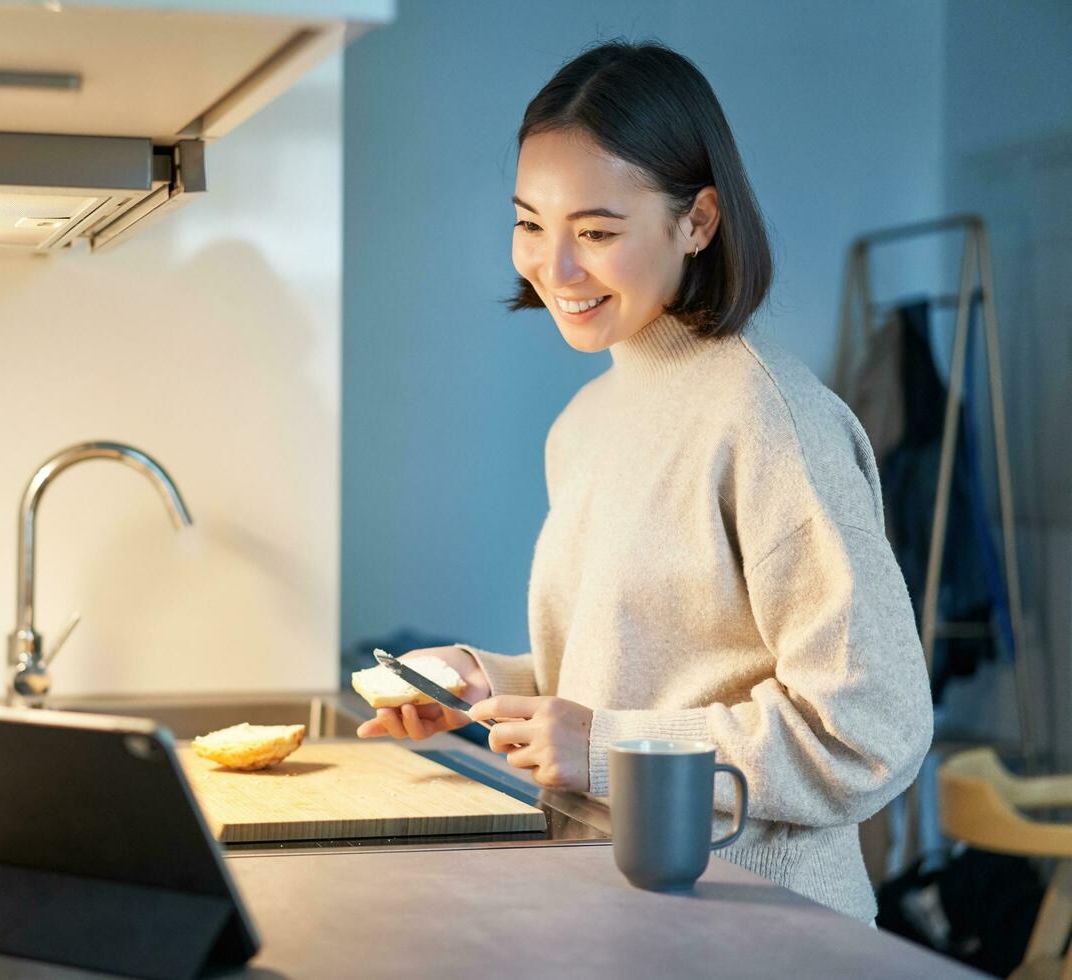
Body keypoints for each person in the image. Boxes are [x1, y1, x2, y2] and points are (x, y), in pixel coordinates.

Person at [355, 39, 932, 923]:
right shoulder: (585, 424)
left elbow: (868, 727)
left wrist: (605, 745)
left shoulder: (770, 417)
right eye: (531, 223)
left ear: (697, 221)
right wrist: (481, 684)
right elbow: (635, 675)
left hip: (762, 931)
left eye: (595, 231)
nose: (557, 266)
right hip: (619, 916)